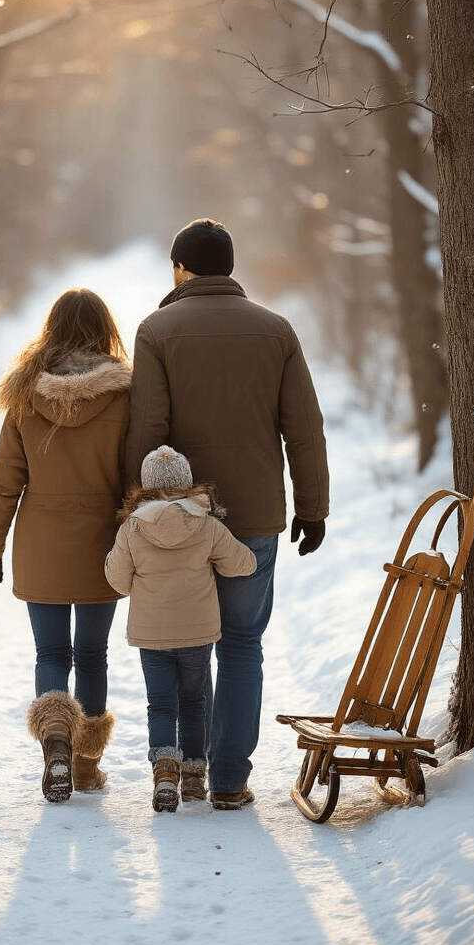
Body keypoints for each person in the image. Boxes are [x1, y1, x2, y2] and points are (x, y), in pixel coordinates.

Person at [125, 217, 329, 810]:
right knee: (242, 644)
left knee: (187, 642)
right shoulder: (276, 330)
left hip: (180, 518)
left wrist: (136, 511)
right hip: (256, 516)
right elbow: (304, 428)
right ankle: (230, 781)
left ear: (180, 269)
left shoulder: (157, 330)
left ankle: (185, 761)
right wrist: (312, 506)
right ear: (231, 268)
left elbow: (149, 429)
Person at [0, 288, 131, 803]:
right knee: (91, 654)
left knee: (50, 652)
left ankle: (55, 744)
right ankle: (85, 769)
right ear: (103, 330)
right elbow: (135, 480)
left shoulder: (25, 395)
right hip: (101, 547)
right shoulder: (125, 396)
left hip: (40, 543)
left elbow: (4, 483)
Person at [105, 445, 256, 812]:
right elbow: (245, 564)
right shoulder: (207, 525)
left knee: (160, 705)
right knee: (194, 703)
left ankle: (165, 776)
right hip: (197, 635)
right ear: (187, 483)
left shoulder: (132, 528)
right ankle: (193, 777)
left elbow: (117, 582)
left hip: (152, 636)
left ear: (146, 486)